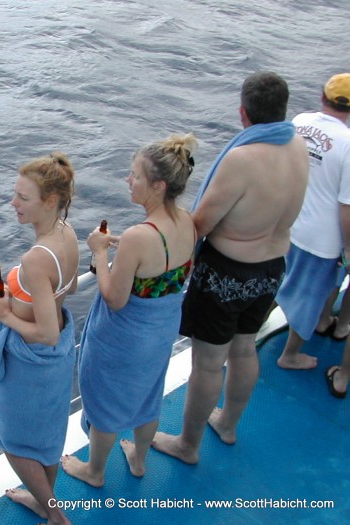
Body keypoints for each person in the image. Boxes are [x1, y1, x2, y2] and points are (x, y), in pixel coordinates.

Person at [152, 71, 309, 464]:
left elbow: (201, 222)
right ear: (282, 109)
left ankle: (187, 445)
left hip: (228, 274)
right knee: (244, 349)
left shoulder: (242, 159)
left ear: (243, 113)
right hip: (272, 267)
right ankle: (228, 423)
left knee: (207, 363)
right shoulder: (298, 146)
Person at [61, 134, 197, 484]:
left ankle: (94, 471)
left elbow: (115, 298)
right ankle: (138, 459)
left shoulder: (139, 236)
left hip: (125, 339)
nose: (127, 179)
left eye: (134, 174)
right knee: (149, 395)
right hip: (162, 330)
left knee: (106, 404)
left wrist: (101, 251)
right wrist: (128, 253)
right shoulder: (187, 220)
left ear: (158, 185)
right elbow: (169, 271)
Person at [0, 152, 79, 525]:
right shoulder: (66, 234)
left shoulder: (37, 258)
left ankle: (54, 515)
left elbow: (47, 332)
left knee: (13, 442)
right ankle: (44, 501)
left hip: (32, 361)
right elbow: (51, 300)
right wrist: (14, 300)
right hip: (57, 359)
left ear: (49, 201)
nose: (13, 203)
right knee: (46, 438)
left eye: (23, 197)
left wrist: (4, 314)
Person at [276, 72, 350, 368]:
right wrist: (349, 248)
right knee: (309, 296)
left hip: (287, 224)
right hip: (322, 240)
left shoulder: (299, 122)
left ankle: (321, 322)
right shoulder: (348, 143)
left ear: (323, 97)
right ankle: (290, 355)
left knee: (278, 283)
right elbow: (346, 207)